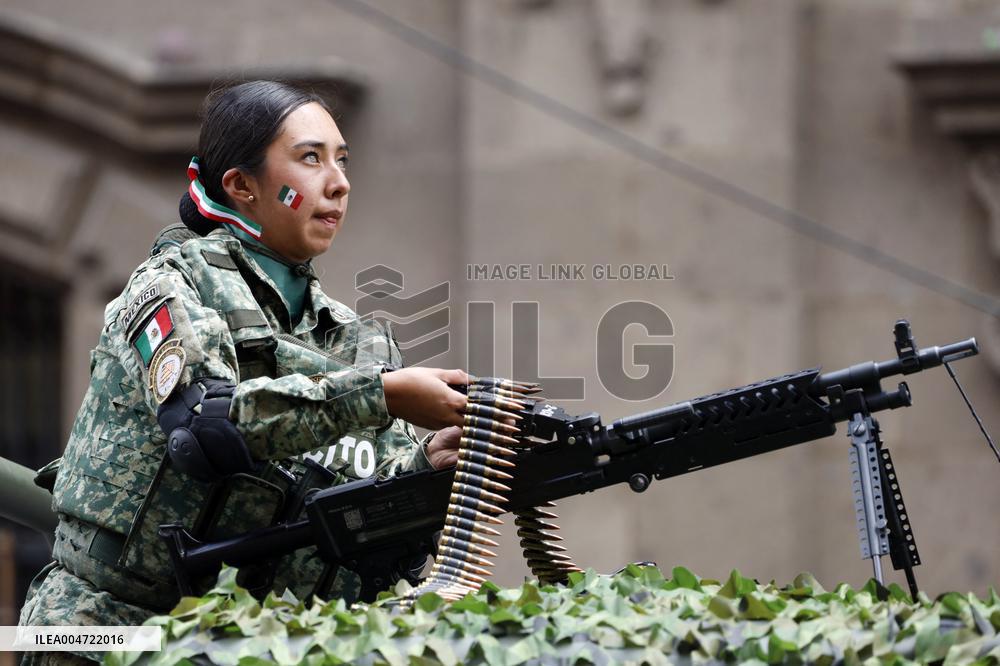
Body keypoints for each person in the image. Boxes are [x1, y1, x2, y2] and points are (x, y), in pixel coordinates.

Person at [18, 80, 470, 664]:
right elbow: (204, 429)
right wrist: (379, 395)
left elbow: (373, 510)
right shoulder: (170, 288)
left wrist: (430, 465)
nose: (339, 182)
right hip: (112, 632)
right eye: (311, 158)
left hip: (262, 646)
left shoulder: (359, 342)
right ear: (241, 185)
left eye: (342, 160)